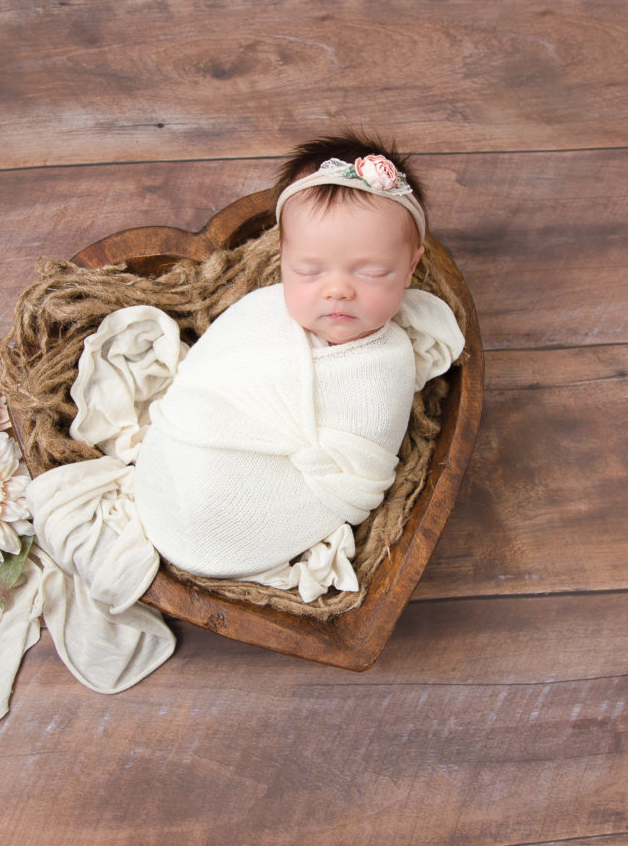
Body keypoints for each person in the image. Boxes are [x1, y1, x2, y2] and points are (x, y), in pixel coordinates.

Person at [131, 131, 464, 601]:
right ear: (283, 257)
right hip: (195, 451)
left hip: (277, 498)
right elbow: (205, 382)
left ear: (411, 267)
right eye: (309, 271)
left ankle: (218, 527)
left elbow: (361, 467)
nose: (337, 290)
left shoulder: (388, 364)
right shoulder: (260, 312)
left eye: (371, 272)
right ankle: (186, 499)